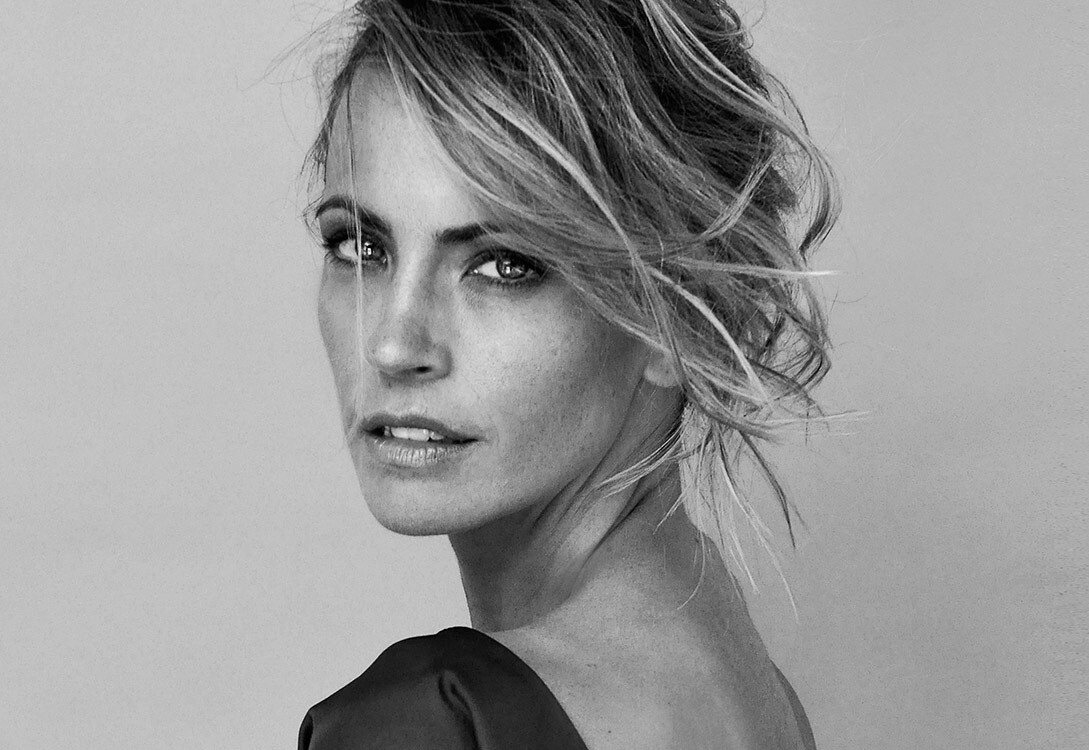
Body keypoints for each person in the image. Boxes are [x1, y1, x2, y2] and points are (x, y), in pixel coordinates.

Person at [296, 0, 838, 747]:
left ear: (677, 313)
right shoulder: (749, 694)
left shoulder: (435, 723)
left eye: (504, 265)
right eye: (359, 247)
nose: (392, 343)